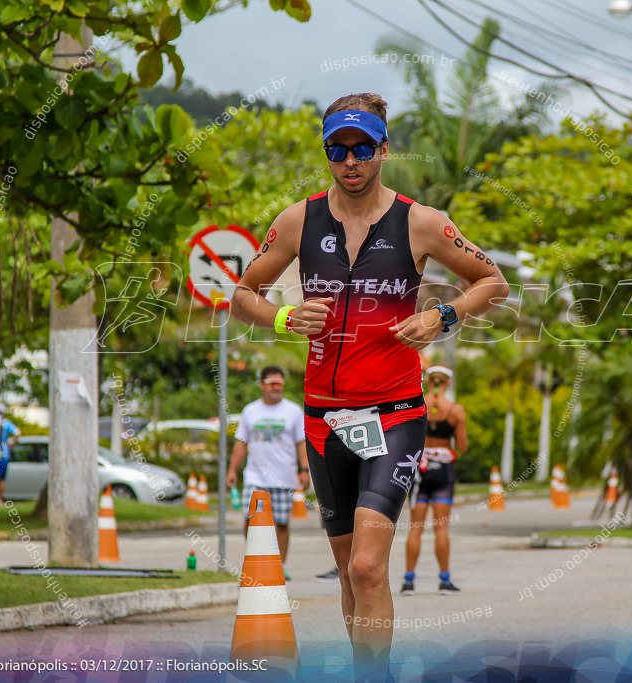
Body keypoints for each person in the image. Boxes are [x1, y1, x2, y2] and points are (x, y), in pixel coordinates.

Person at [230, 92, 507, 679]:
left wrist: (442, 316)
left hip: (395, 414)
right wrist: (283, 318)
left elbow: (493, 281)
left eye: (361, 148)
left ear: (383, 149)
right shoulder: (297, 220)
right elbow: (241, 296)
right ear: (327, 153)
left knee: (365, 567)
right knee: (349, 571)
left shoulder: (422, 222)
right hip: (324, 419)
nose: (349, 160)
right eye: (337, 149)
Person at [226, 366, 309, 575]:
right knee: (250, 519)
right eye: (271, 383)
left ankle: (279, 567)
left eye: (279, 384)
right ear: (262, 385)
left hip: (284, 478)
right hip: (255, 477)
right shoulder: (250, 411)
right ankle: (255, 560)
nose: (276, 388)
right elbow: (241, 442)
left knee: (281, 523)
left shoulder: (293, 411)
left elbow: (302, 443)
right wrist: (232, 470)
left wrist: (305, 470)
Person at [402, 365, 467, 596]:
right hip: (443, 472)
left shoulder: (419, 406)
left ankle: (408, 581)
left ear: (429, 382)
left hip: (420, 470)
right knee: (441, 529)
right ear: (447, 383)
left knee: (415, 528)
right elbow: (462, 446)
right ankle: (444, 580)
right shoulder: (455, 411)